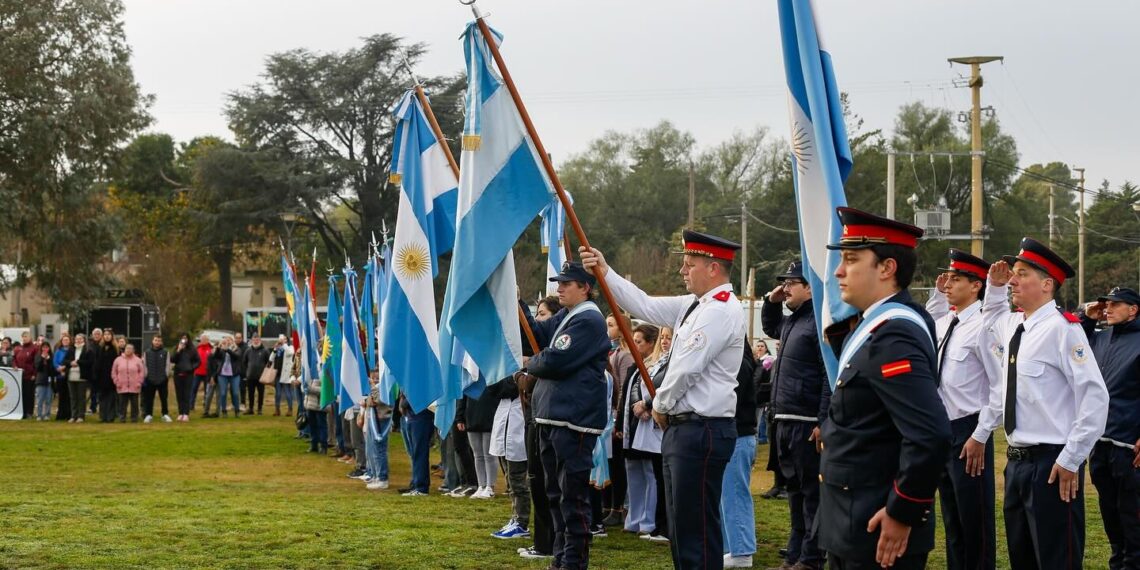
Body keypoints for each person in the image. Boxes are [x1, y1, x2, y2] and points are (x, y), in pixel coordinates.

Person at [581, 229, 745, 570]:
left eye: (689, 264)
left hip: (701, 429)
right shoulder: (693, 306)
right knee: (683, 524)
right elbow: (643, 303)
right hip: (687, 429)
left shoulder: (719, 310)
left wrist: (660, 405)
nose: (683, 271)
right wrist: (605, 270)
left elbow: (686, 369)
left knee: (694, 526)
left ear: (712, 268)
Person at [817, 207, 951, 569]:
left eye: (851, 259)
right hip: (852, 517)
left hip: (876, 524)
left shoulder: (894, 333)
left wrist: (903, 511)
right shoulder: (873, 325)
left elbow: (930, 435)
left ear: (887, 268)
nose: (838, 271)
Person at [984, 238, 1109, 570]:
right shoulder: (1016, 327)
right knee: (1022, 557)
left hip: (1053, 464)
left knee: (1056, 558)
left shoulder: (1063, 330)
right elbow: (988, 330)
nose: (1012, 280)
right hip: (1017, 462)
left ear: (1047, 284)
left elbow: (1095, 398)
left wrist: (1072, 458)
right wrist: (994, 290)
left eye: (1021, 274)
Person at [522, 261, 611, 570]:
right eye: (558, 282)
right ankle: (561, 558)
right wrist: (516, 301)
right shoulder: (566, 315)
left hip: (573, 421)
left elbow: (554, 361)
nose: (558, 288)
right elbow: (534, 334)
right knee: (555, 494)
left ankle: (573, 562)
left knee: (572, 498)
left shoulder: (589, 320)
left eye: (566, 283)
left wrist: (530, 362)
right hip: (552, 417)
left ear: (585, 287)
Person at [925, 249, 1003, 570]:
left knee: (976, 523)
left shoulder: (984, 325)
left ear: (975, 285)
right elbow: (930, 326)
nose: (948, 284)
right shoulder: (947, 322)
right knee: (953, 519)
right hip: (944, 430)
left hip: (969, 430)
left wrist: (981, 434)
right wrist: (938, 296)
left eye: (956, 279)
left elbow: (1000, 385)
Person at [761, 260, 830, 570]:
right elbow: (769, 326)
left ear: (809, 287)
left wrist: (822, 420)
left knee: (811, 492)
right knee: (793, 489)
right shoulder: (791, 321)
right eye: (784, 282)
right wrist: (771, 301)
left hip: (806, 421)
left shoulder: (818, 322)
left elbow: (829, 377)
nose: (785, 287)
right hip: (784, 418)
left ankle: (812, 556)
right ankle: (796, 551)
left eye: (792, 282)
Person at [1081, 286, 1140, 569]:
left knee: (1132, 512)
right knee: (1109, 510)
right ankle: (1118, 561)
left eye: (1116, 305)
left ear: (1133, 309)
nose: (1108, 309)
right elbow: (1074, 346)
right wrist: (1088, 318)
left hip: (1129, 445)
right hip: (1100, 441)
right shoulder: (1100, 338)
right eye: (1106, 304)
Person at [516, 295, 560, 561]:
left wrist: (527, 371)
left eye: (542, 314)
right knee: (536, 480)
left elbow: (528, 380)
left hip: (545, 417)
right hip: (534, 416)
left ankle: (549, 543)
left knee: (547, 483)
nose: (538, 320)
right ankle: (542, 541)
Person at [618, 324, 661, 537]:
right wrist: (619, 426)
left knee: (649, 473)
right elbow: (624, 397)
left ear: (651, 344)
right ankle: (633, 518)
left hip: (648, 426)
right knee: (632, 472)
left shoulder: (657, 366)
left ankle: (648, 520)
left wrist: (646, 405)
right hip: (632, 426)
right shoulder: (634, 367)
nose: (635, 345)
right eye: (633, 341)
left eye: (639, 342)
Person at [488, 370, 530, 539]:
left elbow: (511, 389)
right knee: (509, 481)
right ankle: (515, 518)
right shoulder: (506, 370)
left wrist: (508, 381)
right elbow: (493, 389)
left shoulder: (526, 373)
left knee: (518, 482)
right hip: (504, 430)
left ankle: (522, 522)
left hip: (518, 431)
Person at [603, 313, 633, 528]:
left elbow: (621, 387)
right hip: (608, 413)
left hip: (616, 413)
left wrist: (617, 416)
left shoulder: (625, 355)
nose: (607, 329)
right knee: (608, 462)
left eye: (611, 325)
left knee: (617, 465)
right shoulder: (612, 351)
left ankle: (618, 507)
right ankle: (607, 505)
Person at [456, 382, 501, 499]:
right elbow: (463, 395)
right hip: (471, 415)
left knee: (489, 454)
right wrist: (460, 417)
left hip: (489, 415)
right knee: (477, 455)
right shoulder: (470, 373)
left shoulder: (492, 373)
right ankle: (481, 485)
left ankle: (490, 486)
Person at [397, 391, 434, 497]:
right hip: (412, 416)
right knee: (414, 453)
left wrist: (404, 403)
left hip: (420, 416)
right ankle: (416, 483)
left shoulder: (421, 378)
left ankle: (421, 486)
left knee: (419, 452)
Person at [112, 343, 145, 423]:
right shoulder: (118, 360)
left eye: (130, 348)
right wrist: (116, 382)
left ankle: (134, 418)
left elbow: (142, 372)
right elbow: (114, 372)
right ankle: (122, 417)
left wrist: (139, 382)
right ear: (124, 349)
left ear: (133, 350)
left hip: (135, 386)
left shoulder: (138, 360)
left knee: (134, 403)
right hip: (121, 386)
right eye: (127, 348)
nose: (128, 350)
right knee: (122, 403)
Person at [171, 334, 200, 422]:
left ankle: (186, 413)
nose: (184, 340)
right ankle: (180, 413)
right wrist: (179, 350)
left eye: (185, 338)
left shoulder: (192, 350)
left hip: (188, 374)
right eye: (182, 338)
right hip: (178, 374)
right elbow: (172, 359)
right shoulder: (176, 348)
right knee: (179, 394)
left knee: (187, 394)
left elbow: (198, 361)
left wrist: (192, 367)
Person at [142, 336, 172, 423]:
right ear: (152, 341)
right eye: (156, 340)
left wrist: (166, 375)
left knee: (164, 398)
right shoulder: (147, 352)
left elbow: (168, 364)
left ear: (161, 342)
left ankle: (165, 414)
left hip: (162, 379)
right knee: (149, 398)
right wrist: (146, 376)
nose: (157, 342)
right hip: (150, 379)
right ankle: (148, 415)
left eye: (159, 341)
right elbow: (144, 365)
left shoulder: (165, 352)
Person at [210, 336, 242, 418]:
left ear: (232, 341)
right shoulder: (222, 350)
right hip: (223, 374)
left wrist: (227, 349)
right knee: (223, 393)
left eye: (229, 340)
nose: (227, 341)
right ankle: (224, 410)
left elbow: (236, 356)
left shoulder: (237, 349)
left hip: (234, 374)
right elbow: (215, 357)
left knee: (235, 393)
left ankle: (237, 410)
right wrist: (218, 348)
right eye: (226, 340)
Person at [242, 334, 270, 415]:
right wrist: (247, 372)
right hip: (250, 376)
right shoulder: (248, 350)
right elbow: (244, 362)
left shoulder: (265, 350)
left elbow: (269, 363)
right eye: (254, 339)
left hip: (261, 376)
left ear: (260, 340)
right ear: (251, 340)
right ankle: (251, 408)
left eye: (257, 339)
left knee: (261, 393)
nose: (256, 341)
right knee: (251, 393)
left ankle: (259, 409)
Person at [96, 331, 120, 423]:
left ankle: (110, 417)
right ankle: (103, 416)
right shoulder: (100, 348)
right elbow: (97, 361)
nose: (107, 336)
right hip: (101, 376)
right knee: (102, 398)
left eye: (108, 335)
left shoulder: (115, 349)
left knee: (111, 398)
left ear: (112, 336)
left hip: (111, 377)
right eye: (105, 335)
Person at [69, 334, 94, 422]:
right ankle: (73, 415)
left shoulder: (88, 350)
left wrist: (78, 362)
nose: (78, 340)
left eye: (80, 339)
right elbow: (65, 360)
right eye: (76, 339)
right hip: (71, 377)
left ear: (84, 340)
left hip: (82, 377)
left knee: (81, 397)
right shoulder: (71, 349)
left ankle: (80, 416)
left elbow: (89, 362)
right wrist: (70, 363)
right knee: (73, 397)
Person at [13, 332, 37, 419]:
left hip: (29, 376)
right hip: (19, 376)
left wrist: (34, 373)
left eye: (26, 337)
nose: (24, 338)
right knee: (21, 394)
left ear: (30, 338)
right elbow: (14, 359)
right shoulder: (18, 348)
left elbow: (35, 362)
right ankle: (22, 412)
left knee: (29, 394)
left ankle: (29, 412)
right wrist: (15, 366)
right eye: (23, 337)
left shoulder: (34, 348)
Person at [304, 376, 328, 455]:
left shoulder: (323, 371)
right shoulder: (310, 372)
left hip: (319, 405)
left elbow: (325, 388)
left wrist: (311, 389)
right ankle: (314, 445)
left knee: (322, 426)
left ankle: (323, 446)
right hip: (310, 403)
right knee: (312, 425)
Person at [272, 335, 295, 416]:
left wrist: (283, 344)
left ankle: (290, 409)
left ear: (287, 340)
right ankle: (277, 409)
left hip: (285, 374)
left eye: (284, 339)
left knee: (287, 392)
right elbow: (271, 359)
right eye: (281, 339)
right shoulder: (279, 349)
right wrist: (275, 349)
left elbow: (290, 353)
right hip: (278, 373)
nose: (282, 340)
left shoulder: (290, 347)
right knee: (277, 393)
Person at [191, 334, 213, 414]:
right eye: (202, 339)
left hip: (207, 373)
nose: (203, 341)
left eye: (205, 339)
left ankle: (205, 405)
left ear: (208, 340)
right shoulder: (197, 349)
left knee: (206, 391)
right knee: (193, 389)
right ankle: (191, 405)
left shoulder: (211, 349)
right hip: (197, 372)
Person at [52, 334, 73, 421]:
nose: (65, 341)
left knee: (69, 395)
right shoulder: (58, 351)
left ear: (69, 341)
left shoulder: (72, 350)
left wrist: (64, 368)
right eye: (64, 340)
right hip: (60, 376)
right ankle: (61, 414)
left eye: (67, 340)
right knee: (61, 396)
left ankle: (69, 414)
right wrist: (59, 368)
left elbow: (72, 361)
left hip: (68, 374)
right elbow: (54, 361)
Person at [33, 343, 54, 420]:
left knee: (48, 399)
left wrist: (48, 360)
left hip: (49, 381)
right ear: (41, 348)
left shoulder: (51, 357)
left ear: (49, 348)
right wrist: (42, 358)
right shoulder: (38, 356)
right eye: (43, 347)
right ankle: (39, 415)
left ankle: (47, 415)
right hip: (40, 380)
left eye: (47, 347)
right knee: (40, 399)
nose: (45, 349)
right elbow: (38, 368)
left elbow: (52, 369)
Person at [232, 331, 249, 412]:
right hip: (233, 371)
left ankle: (243, 404)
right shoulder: (232, 346)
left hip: (243, 371)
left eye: (239, 338)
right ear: (234, 338)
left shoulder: (245, 347)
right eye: (236, 338)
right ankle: (234, 404)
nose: (238, 339)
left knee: (242, 389)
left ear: (242, 338)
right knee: (233, 389)